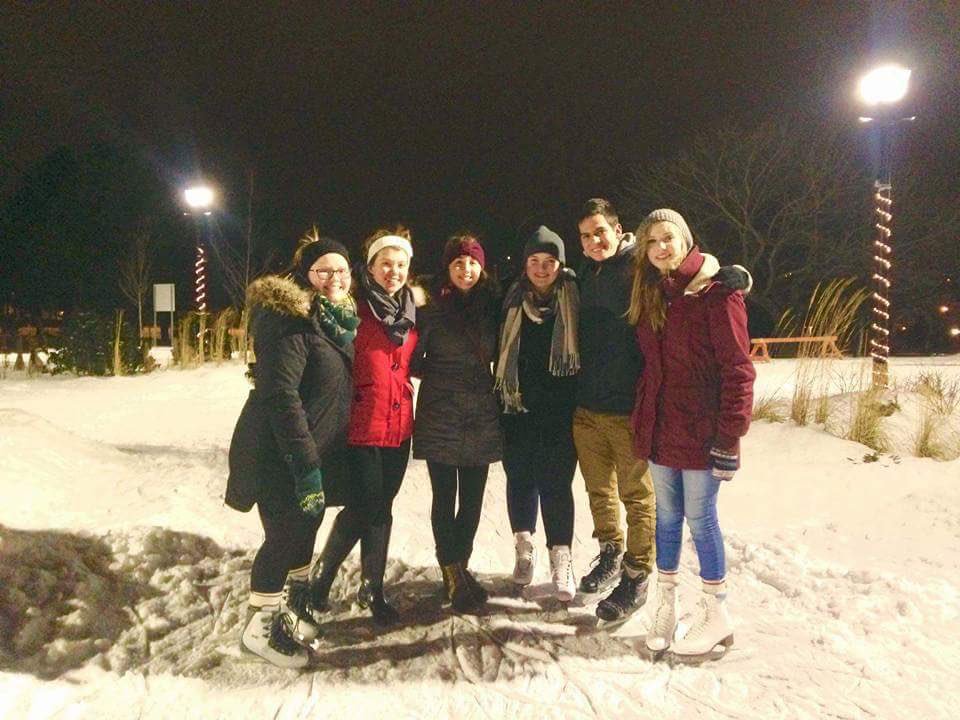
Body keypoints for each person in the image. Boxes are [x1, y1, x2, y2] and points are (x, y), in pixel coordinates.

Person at [575, 197, 753, 623]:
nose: (595, 240)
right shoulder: (596, 277)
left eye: (602, 230)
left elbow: (732, 358)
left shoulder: (643, 270)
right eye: (585, 235)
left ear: (620, 232)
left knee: (649, 502)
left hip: (637, 410)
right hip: (612, 410)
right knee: (610, 496)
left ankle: (640, 577)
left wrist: (736, 277)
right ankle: (615, 559)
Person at [626, 209, 755, 660]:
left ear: (685, 240)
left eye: (669, 238)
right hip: (662, 427)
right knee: (666, 517)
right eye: (652, 242)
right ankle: (666, 605)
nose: (662, 247)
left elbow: (738, 371)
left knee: (701, 519)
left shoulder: (717, 295)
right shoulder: (653, 292)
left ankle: (716, 613)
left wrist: (728, 437)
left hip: (702, 431)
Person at [225, 231, 358, 668]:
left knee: (306, 526)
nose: (333, 278)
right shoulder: (290, 321)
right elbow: (281, 398)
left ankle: (290, 608)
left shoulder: (331, 320)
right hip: (278, 452)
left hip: (312, 450)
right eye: (323, 271)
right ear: (306, 275)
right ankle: (258, 629)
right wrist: (304, 465)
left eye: (341, 270)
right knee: (283, 536)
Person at [307, 226, 419, 627]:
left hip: (399, 426)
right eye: (385, 263)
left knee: (380, 508)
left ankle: (368, 586)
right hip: (360, 424)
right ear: (369, 268)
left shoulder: (410, 311)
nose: (394, 271)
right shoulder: (353, 308)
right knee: (364, 507)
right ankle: (324, 579)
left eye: (401, 264)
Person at [412, 234, 502, 613]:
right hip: (441, 412)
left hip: (481, 413)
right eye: (458, 263)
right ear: (448, 268)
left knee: (473, 500)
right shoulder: (431, 309)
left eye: (472, 263)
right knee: (444, 497)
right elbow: (414, 359)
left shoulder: (493, 307)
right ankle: (452, 572)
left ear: (482, 268)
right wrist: (445, 375)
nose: (466, 269)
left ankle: (459, 567)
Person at [495, 226, 580, 601]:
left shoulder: (576, 296)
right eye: (534, 261)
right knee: (520, 479)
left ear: (560, 264)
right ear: (525, 265)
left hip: (561, 411)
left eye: (549, 262)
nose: (542, 269)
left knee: (556, 484)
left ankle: (561, 559)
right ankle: (524, 548)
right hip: (517, 408)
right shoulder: (510, 298)